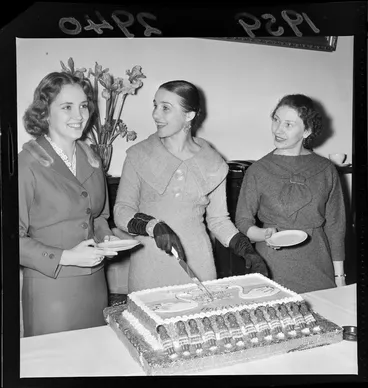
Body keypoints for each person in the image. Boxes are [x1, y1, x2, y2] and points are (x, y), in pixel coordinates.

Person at [113, 80, 268, 293]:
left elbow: (218, 221)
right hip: (150, 266)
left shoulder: (213, 162)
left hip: (198, 264)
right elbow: (122, 211)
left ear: (189, 115)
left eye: (165, 108)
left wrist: (246, 249)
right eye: (155, 105)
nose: (156, 115)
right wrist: (152, 226)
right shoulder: (138, 155)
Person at [19, 71, 122, 337]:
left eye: (83, 106)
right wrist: (68, 257)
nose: (79, 115)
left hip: (96, 285)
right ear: (44, 113)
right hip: (51, 288)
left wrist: (108, 238)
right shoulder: (26, 163)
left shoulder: (92, 158)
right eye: (66, 107)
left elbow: (98, 217)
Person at [235, 94, 346, 293]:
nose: (278, 130)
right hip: (272, 266)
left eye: (288, 124)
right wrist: (264, 234)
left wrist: (339, 276)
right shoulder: (258, 170)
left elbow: (336, 227)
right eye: (276, 120)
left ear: (307, 130)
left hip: (318, 265)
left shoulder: (327, 169)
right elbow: (243, 222)